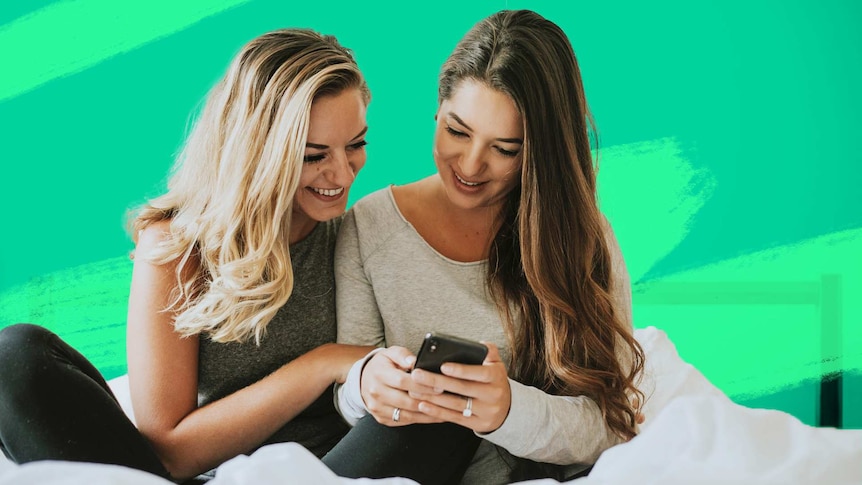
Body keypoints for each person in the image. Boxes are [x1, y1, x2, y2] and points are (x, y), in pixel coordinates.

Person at [0, 29, 374, 482]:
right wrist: (322, 363)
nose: (341, 172)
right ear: (258, 151)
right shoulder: (179, 247)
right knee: (13, 355)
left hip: (336, 470)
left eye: (356, 144)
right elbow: (170, 452)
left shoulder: (361, 235)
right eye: (314, 155)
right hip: (209, 476)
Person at [332, 9, 646, 484]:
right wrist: (364, 383)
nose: (471, 165)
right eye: (457, 131)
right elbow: (348, 406)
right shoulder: (369, 226)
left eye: (505, 148)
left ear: (539, 152)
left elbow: (612, 421)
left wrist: (506, 410)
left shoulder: (582, 239)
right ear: (437, 108)